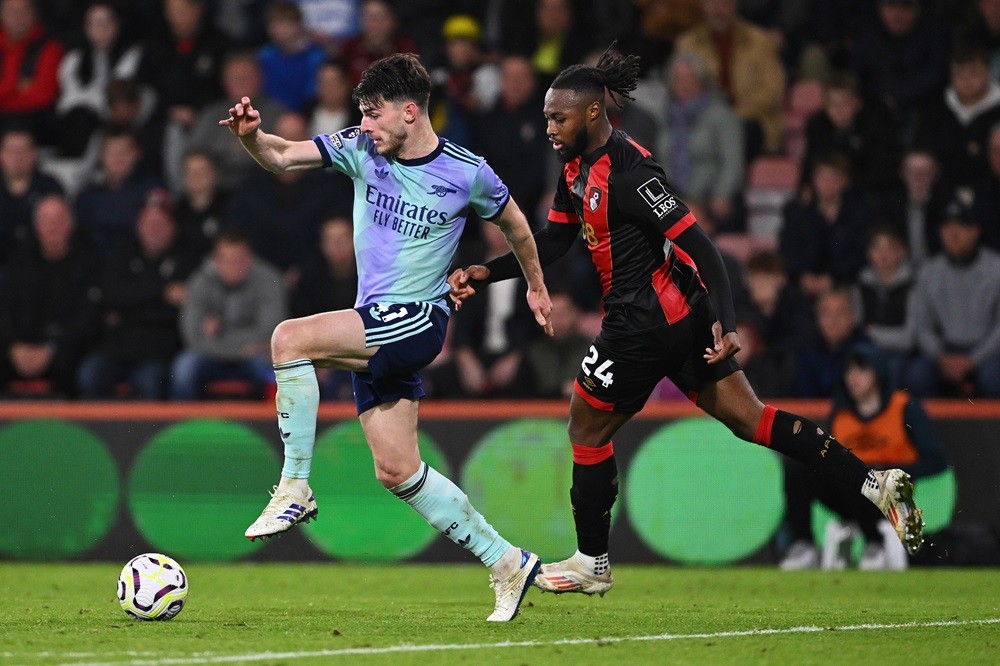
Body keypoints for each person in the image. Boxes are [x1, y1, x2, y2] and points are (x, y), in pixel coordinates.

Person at [448, 45, 924, 596]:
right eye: (548, 117)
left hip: (644, 322)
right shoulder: (574, 169)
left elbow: (704, 247)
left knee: (584, 423)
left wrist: (728, 322)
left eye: (559, 116)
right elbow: (554, 241)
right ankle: (874, 482)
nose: (549, 126)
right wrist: (488, 272)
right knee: (754, 420)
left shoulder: (631, 172)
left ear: (594, 113)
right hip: (677, 319)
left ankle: (592, 561)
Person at [219, 53, 553, 621]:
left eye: (373, 115)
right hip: (376, 321)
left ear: (409, 111)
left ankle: (295, 485)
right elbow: (280, 155)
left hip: (417, 320)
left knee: (288, 339)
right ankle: (506, 562)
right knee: (396, 470)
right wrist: (253, 139)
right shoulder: (359, 147)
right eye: (362, 115)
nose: (365, 125)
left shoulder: (467, 171)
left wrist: (536, 288)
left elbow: (516, 225)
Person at [780, 343, 948, 571]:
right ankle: (804, 544)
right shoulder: (841, 414)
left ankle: (875, 543)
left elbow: (936, 460)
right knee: (800, 467)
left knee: (855, 471)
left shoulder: (904, 408)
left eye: (862, 370)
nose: (853, 377)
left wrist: (889, 471)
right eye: (849, 370)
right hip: (851, 493)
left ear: (878, 373)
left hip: (894, 498)